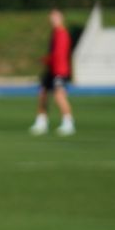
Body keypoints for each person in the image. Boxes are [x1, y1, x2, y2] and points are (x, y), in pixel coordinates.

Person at [30, 8, 76, 137]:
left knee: (59, 95)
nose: (53, 20)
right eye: (51, 17)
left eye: (55, 17)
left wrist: (46, 60)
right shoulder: (55, 32)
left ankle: (68, 123)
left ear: (61, 18)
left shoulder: (62, 33)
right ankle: (41, 122)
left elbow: (59, 54)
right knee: (42, 93)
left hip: (59, 70)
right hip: (51, 69)